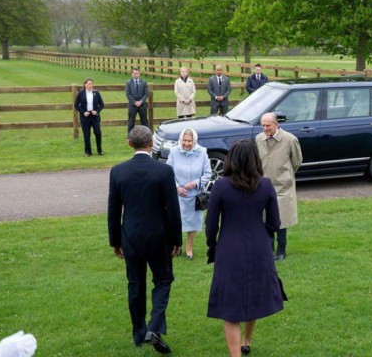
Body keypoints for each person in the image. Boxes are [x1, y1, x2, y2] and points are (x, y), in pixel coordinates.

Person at [205, 139, 287, 357]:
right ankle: (246, 340)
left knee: (230, 305)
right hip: (259, 246)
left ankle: (237, 353)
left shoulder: (221, 186)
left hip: (229, 248)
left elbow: (211, 224)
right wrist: (262, 234)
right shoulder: (266, 185)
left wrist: (211, 244)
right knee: (253, 294)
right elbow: (274, 224)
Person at [107, 126, 182, 354]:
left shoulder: (118, 171)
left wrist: (115, 241)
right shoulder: (163, 171)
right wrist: (177, 239)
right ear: (151, 144)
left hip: (131, 236)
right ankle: (155, 327)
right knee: (163, 280)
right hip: (159, 237)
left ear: (130, 143)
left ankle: (139, 333)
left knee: (135, 285)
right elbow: (172, 209)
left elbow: (113, 210)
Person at [255, 112, 303, 261]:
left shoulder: (290, 139)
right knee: (265, 219)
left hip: (283, 187)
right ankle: (269, 249)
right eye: (263, 125)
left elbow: (297, 161)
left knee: (281, 220)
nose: (265, 128)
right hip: (264, 186)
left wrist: (284, 174)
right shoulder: (258, 139)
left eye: (268, 125)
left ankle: (281, 250)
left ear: (276, 124)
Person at [166, 128, 212, 260]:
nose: (186, 143)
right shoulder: (174, 151)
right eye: (184, 140)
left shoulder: (202, 152)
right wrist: (177, 187)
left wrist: (196, 183)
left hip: (195, 195)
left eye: (189, 141)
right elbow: (168, 172)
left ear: (194, 141)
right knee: (176, 221)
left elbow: (208, 174)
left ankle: (189, 247)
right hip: (178, 195)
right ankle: (177, 245)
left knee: (193, 222)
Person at [74, 78, 104, 157]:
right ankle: (88, 152)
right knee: (86, 135)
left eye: (91, 83)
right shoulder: (81, 93)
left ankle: (99, 150)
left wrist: (97, 111)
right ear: (85, 85)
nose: (91, 85)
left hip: (94, 117)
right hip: (85, 117)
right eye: (89, 83)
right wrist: (83, 112)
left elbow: (102, 104)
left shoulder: (96, 93)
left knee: (98, 133)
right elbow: (76, 105)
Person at [125, 67, 149, 135]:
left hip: (142, 105)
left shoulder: (144, 82)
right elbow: (128, 94)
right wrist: (134, 102)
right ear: (132, 74)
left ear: (139, 73)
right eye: (134, 73)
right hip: (132, 105)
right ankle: (130, 136)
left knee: (144, 122)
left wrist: (141, 101)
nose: (136, 75)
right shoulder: (128, 83)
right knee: (131, 122)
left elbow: (146, 93)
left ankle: (146, 135)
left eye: (137, 73)